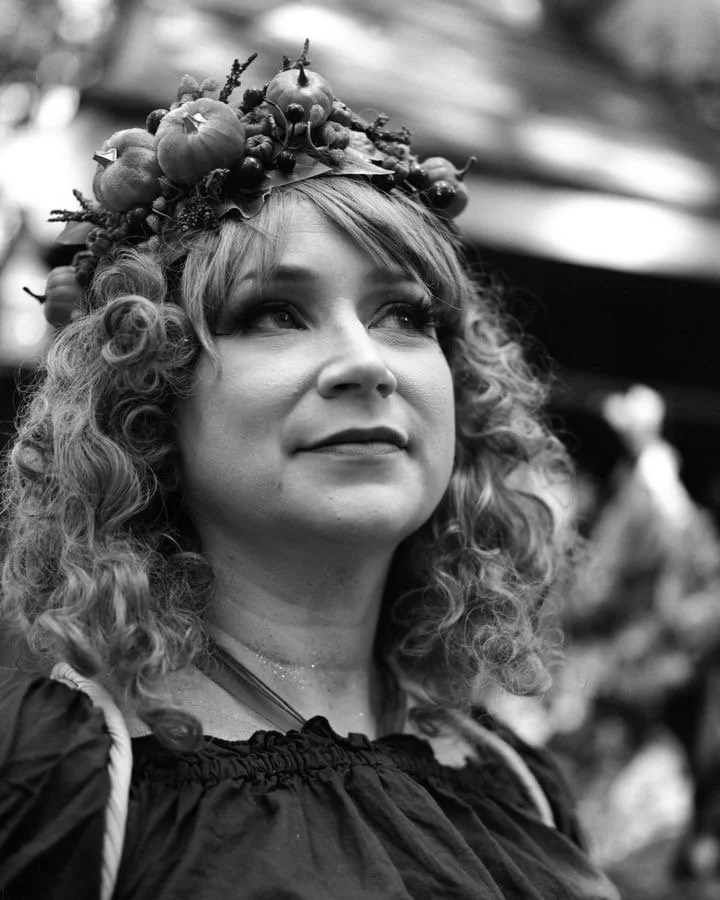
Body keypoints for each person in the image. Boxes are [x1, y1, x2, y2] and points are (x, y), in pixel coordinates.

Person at [0, 42, 619, 900]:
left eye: (405, 315)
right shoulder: (54, 774)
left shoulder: (521, 787)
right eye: (275, 313)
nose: (367, 362)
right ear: (147, 395)